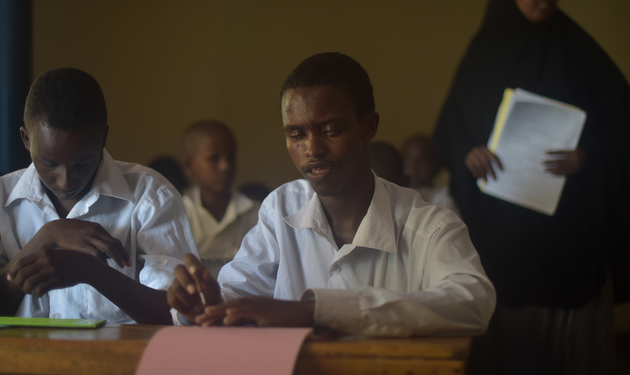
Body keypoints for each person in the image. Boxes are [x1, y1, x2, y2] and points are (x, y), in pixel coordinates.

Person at [167, 52, 496, 337]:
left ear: (368, 126)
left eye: (330, 130)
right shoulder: (281, 210)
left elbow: (474, 302)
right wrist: (209, 304)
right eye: (296, 134)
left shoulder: (429, 226)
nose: (312, 149)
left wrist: (317, 311)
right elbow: (235, 293)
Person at [433, 0, 630, 373]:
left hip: (570, 239)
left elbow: (627, 142)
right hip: (500, 239)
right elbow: (446, 135)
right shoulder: (483, 55)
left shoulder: (582, 53)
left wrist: (588, 157)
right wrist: (467, 153)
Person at [0, 68, 198, 324]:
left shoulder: (150, 195)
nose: (65, 181)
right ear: (26, 139)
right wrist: (45, 237)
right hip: (18, 351)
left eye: (82, 162)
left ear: (103, 137)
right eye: (50, 163)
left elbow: (178, 315)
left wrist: (93, 272)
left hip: (120, 351)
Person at [181, 121, 260, 275]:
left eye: (230, 157)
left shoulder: (258, 214)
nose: (225, 166)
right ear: (189, 165)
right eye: (214, 158)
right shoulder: (178, 214)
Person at [401, 134, 460, 216]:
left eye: (422, 162)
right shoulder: (400, 196)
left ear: (437, 165)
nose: (414, 169)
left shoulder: (443, 200)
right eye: (407, 162)